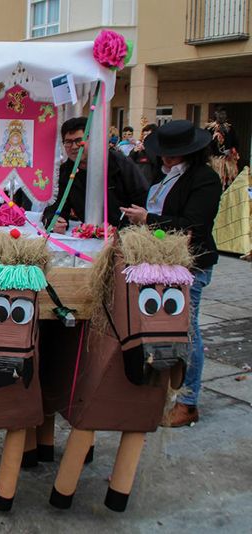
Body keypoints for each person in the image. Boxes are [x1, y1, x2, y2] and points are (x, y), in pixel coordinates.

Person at [119, 120, 222, 428]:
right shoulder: (160, 176)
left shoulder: (205, 180)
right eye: (164, 153)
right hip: (155, 265)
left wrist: (147, 219)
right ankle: (156, 390)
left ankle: (188, 401)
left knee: (186, 331)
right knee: (155, 328)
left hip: (190, 266)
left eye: (174, 155)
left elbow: (191, 224)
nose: (167, 159)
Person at [43, 117, 149, 232]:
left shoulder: (119, 163)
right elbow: (58, 205)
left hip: (125, 234)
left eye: (79, 141)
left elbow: (142, 200)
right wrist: (53, 220)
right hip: (89, 235)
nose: (74, 147)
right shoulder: (66, 170)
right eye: (68, 142)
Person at [205, 106, 240, 189]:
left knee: (229, 183)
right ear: (215, 115)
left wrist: (233, 151)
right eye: (220, 114)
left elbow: (235, 143)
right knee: (216, 182)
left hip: (228, 162)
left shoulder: (230, 129)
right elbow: (206, 145)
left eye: (224, 114)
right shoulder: (209, 129)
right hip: (215, 161)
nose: (222, 116)